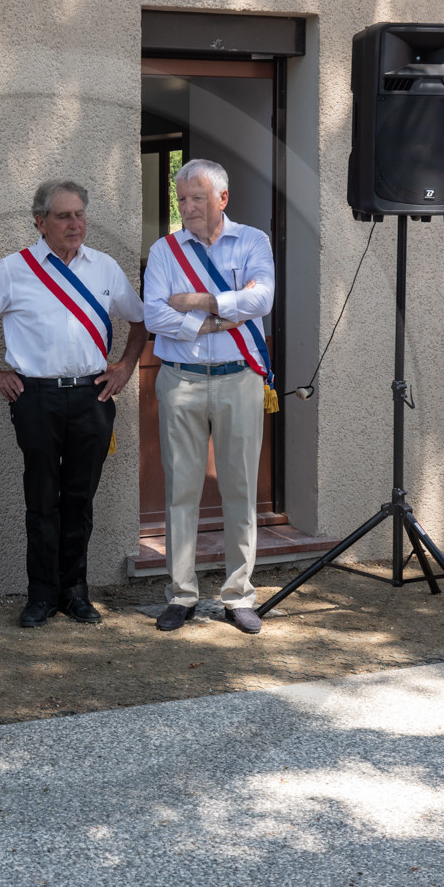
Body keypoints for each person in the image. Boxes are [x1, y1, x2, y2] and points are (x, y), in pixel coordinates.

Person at [0, 180, 148, 627]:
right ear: (40, 222)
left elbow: (140, 322)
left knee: (79, 500)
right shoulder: (14, 269)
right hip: (36, 398)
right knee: (41, 500)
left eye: (80, 214)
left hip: (92, 396)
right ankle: (40, 595)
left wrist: (124, 368)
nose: (75, 224)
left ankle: (75, 593)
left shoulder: (104, 268)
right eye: (63, 216)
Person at [142, 159, 276, 635]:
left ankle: (238, 595)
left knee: (240, 487)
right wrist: (223, 316)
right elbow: (154, 315)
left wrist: (196, 302)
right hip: (181, 379)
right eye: (182, 199)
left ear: (222, 198)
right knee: (181, 490)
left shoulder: (253, 241)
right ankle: (181, 594)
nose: (188, 207)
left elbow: (262, 299)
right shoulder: (164, 250)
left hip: (239, 378)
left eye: (197, 198)